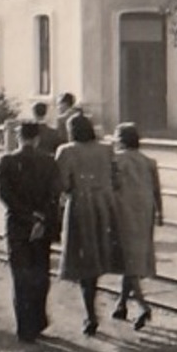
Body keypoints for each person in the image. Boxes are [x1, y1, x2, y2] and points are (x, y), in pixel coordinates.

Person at [0, 120, 62, 342]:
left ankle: (25, 327)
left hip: (17, 225)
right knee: (40, 273)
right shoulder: (49, 162)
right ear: (37, 139)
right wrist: (41, 218)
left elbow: (5, 196)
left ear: (18, 137)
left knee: (21, 275)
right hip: (41, 227)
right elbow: (55, 195)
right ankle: (38, 320)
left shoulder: (6, 161)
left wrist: (28, 217)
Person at [56, 113, 121, 336]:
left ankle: (90, 315)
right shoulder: (106, 149)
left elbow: (63, 183)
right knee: (101, 256)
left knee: (84, 262)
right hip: (105, 206)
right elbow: (116, 178)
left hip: (81, 208)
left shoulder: (67, 151)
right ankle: (113, 305)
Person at [111, 122, 163, 330]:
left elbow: (112, 187)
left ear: (121, 140)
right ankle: (121, 304)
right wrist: (160, 212)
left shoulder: (116, 160)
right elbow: (157, 189)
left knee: (127, 259)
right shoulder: (149, 161)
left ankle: (143, 306)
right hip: (145, 212)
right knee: (134, 256)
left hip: (123, 211)